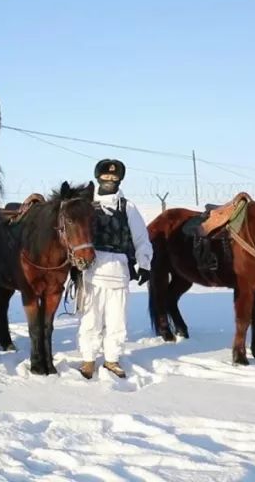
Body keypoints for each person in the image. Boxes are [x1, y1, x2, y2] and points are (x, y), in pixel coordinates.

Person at [78, 159, 153, 380]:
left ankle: (112, 359)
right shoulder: (86, 205)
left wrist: (145, 264)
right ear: (98, 177)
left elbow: (141, 238)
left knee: (117, 321)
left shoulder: (127, 207)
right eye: (106, 176)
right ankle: (88, 360)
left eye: (114, 177)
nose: (110, 180)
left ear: (119, 179)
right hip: (93, 271)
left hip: (119, 272)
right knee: (91, 319)